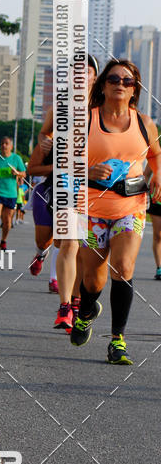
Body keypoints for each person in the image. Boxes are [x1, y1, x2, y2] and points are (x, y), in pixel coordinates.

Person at [70, 60, 161, 363]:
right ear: (103, 85)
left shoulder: (145, 123)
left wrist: (158, 175)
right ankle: (86, 311)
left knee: (123, 267)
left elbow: (156, 154)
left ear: (135, 89)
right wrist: (86, 171)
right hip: (91, 210)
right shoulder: (86, 120)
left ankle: (117, 340)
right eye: (113, 79)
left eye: (127, 81)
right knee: (93, 280)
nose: (120, 84)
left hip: (131, 207)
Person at [30, 55, 98, 327]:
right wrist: (44, 142)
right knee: (67, 242)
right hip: (65, 183)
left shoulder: (103, 109)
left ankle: (77, 301)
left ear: (94, 76)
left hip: (95, 186)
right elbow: (44, 134)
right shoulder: (58, 109)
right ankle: (66, 305)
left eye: (86, 71)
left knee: (81, 248)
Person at [0, 136, 25, 250]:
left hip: (10, 194)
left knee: (7, 220)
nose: (4, 145)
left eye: (6, 143)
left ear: (11, 146)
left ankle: (4, 240)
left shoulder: (16, 158)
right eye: (2, 143)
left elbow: (24, 173)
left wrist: (17, 173)